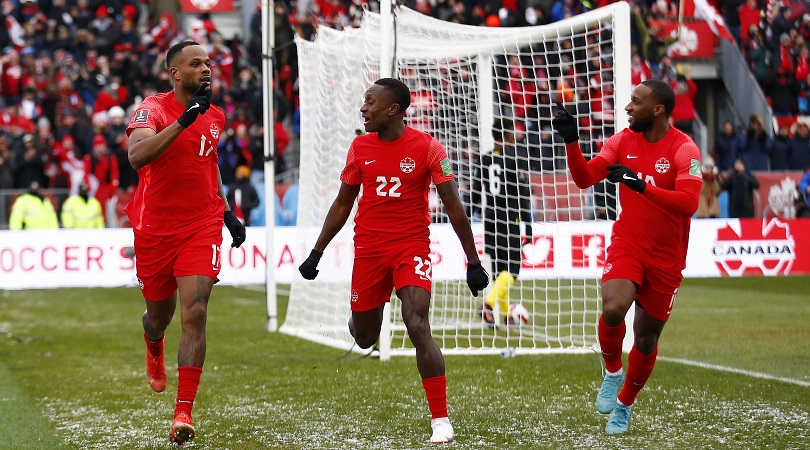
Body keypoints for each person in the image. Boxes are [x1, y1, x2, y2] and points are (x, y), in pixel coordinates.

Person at [297, 78, 488, 444]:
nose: (363, 108)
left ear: (394, 109)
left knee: (417, 322)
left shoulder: (428, 148)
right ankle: (358, 319)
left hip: (411, 248)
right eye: (363, 101)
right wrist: (316, 252)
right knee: (366, 338)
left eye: (370, 102)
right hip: (369, 251)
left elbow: (453, 205)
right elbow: (342, 203)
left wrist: (473, 261)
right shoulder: (359, 147)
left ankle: (441, 419)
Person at [551, 79, 702, 435]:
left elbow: (690, 203)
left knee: (646, 339)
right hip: (628, 243)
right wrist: (572, 142)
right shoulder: (621, 140)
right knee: (613, 308)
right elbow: (586, 178)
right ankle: (612, 371)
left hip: (667, 258)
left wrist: (641, 186)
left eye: (635, 102)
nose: (627, 108)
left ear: (658, 110)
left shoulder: (685, 150)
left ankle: (625, 404)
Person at [125, 40, 246, 445]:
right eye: (196, 64)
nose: (206, 69)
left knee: (195, 310)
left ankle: (183, 412)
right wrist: (183, 122)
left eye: (208, 63)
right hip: (155, 230)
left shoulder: (215, 115)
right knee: (159, 316)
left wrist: (226, 210)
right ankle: (153, 340)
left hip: (202, 224)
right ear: (175, 73)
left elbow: (208, 163)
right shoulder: (153, 109)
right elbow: (137, 156)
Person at [471, 117, 533, 325]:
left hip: (490, 219)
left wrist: (469, 215)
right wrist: (528, 224)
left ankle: (505, 316)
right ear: (507, 134)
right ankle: (488, 305)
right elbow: (523, 194)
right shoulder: (514, 159)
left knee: (499, 272)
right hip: (509, 218)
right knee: (512, 270)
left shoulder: (484, 159)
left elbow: (476, 193)